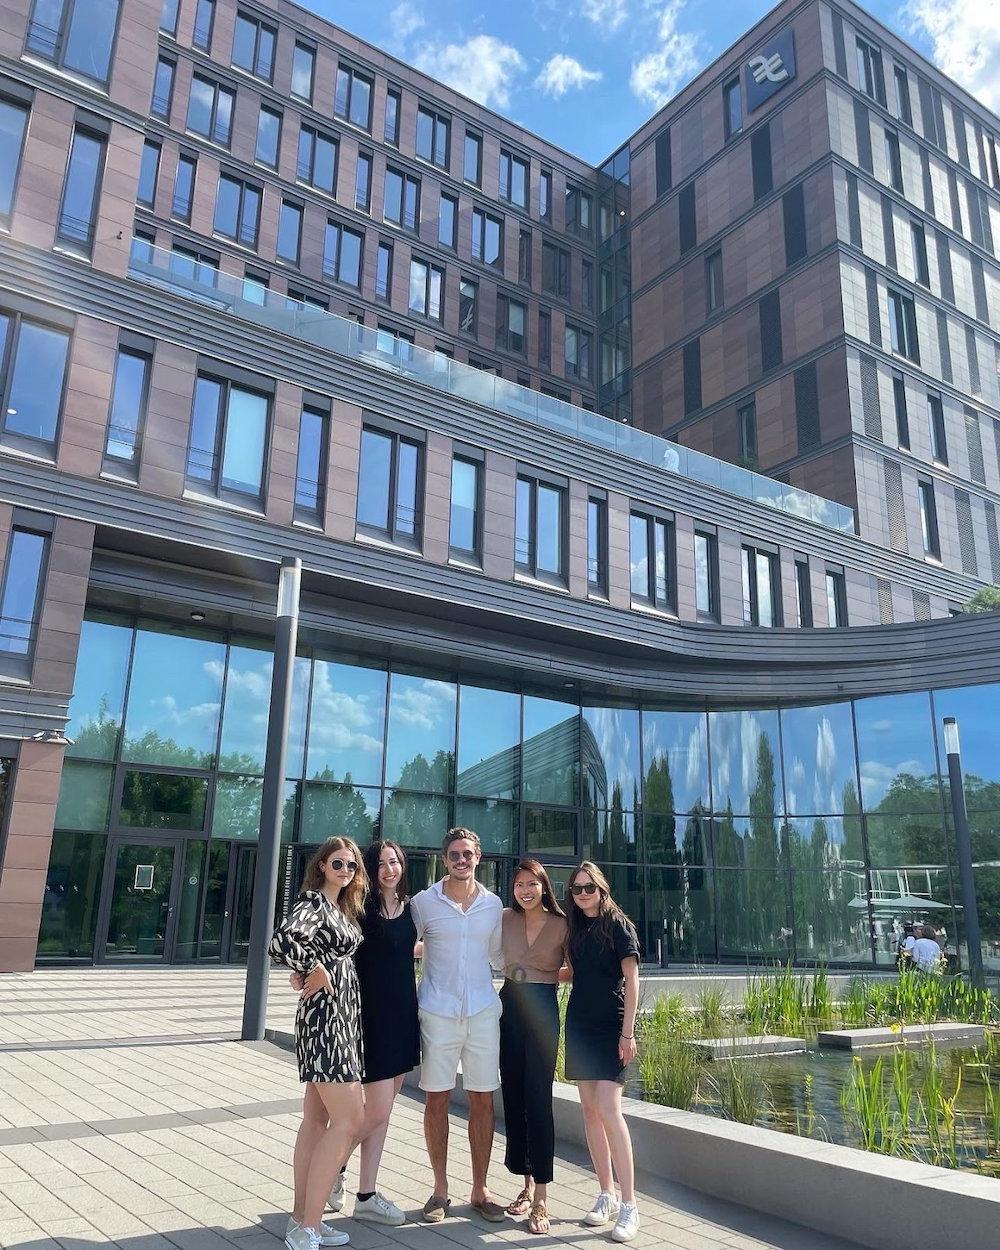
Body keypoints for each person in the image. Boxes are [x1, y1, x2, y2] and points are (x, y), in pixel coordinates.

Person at [290, 840, 418, 1226]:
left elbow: (405, 946)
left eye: (394, 862)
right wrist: (307, 970)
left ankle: (366, 1192)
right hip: (365, 1018)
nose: (388, 869)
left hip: (403, 1016)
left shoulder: (411, 907)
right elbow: (322, 943)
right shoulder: (358, 907)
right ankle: (331, 1172)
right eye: (380, 863)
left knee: (384, 1112)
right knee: (371, 1111)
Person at [269, 837, 369, 1250]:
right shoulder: (313, 903)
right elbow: (281, 941)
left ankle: (301, 1220)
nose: (345, 870)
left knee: (317, 1121)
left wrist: (317, 969)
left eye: (351, 864)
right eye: (338, 863)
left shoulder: (337, 907)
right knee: (351, 1119)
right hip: (326, 1019)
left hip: (338, 1016)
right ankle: (308, 1225)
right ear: (323, 866)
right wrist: (314, 968)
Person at [409, 827, 505, 1224]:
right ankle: (440, 1191)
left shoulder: (494, 904)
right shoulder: (422, 904)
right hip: (438, 1013)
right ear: (444, 860)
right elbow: (400, 947)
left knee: (483, 1099)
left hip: (483, 1011)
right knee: (437, 1099)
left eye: (468, 854)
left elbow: (500, 957)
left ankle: (481, 1189)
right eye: (454, 855)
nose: (461, 860)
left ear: (478, 857)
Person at [564, 862, 641, 1244]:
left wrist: (628, 1033)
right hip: (578, 1024)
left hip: (611, 1027)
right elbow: (576, 973)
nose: (582, 895)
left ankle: (629, 1204)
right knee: (590, 1112)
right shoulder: (577, 927)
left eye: (588, 888)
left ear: (601, 888)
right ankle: (606, 1194)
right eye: (577, 890)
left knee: (611, 1110)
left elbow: (632, 979)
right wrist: (527, 972)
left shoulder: (618, 925)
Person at [499, 859, 569, 1235]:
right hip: (509, 1004)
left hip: (542, 1007)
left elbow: (574, 968)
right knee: (513, 1096)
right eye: (519, 885)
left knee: (539, 1099)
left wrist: (540, 976)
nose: (525, 891)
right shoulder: (505, 918)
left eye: (532, 884)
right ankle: (525, 1185)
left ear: (544, 886)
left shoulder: (562, 924)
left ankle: (542, 1196)